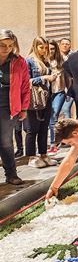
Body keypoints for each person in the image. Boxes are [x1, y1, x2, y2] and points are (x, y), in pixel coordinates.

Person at [0, 29, 29, 185]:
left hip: (7, 108)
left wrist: (24, 108)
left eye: (10, 45)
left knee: (5, 141)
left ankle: (11, 174)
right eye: (3, 45)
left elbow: (25, 86)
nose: (7, 49)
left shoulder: (19, 61)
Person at [25, 37, 58, 169]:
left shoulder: (45, 60)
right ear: (35, 47)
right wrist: (44, 78)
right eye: (41, 48)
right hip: (34, 99)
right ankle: (32, 156)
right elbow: (27, 81)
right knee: (32, 129)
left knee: (44, 128)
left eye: (46, 48)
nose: (44, 50)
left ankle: (44, 154)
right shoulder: (29, 60)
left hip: (46, 97)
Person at [47, 40, 66, 154]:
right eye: (49, 48)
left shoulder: (61, 60)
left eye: (53, 49)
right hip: (47, 93)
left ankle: (53, 143)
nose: (51, 51)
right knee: (48, 118)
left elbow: (68, 76)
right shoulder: (44, 62)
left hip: (59, 91)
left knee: (54, 116)